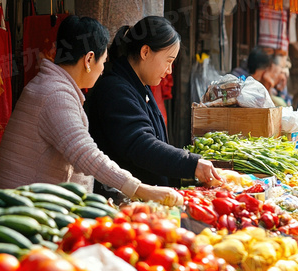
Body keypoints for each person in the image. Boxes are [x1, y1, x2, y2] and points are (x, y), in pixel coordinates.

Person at [0, 16, 181, 205]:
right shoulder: (55, 95)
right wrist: (140, 189)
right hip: (22, 211)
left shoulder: (51, 87)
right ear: (89, 59)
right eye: (104, 61)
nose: (103, 70)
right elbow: (86, 154)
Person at [86, 16, 220, 189]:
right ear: (145, 52)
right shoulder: (114, 89)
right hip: (122, 199)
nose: (169, 70)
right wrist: (191, 163)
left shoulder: (139, 85)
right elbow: (140, 144)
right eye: (169, 61)